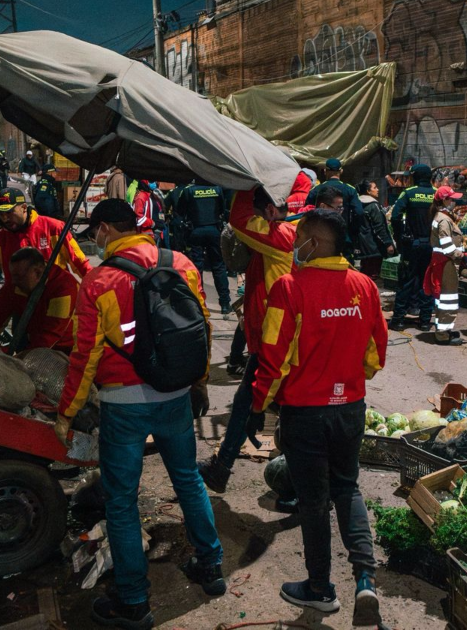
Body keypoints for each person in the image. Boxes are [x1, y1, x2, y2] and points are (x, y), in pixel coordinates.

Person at [56, 200, 224, 629]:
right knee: (187, 479)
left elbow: (84, 355)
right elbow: (200, 327)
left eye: (96, 231)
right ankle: (211, 568)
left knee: (123, 502)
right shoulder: (181, 263)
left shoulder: (99, 280)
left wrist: (67, 411)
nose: (95, 240)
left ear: (108, 229)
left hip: (123, 407)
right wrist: (200, 381)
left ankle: (133, 602)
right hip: (174, 395)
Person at [249, 210, 387, 626]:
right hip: (350, 410)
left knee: (314, 501)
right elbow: (377, 352)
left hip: (305, 413)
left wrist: (260, 404)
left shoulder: (288, 288)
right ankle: (365, 580)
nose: (295, 245)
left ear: (313, 242)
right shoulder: (365, 286)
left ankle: (320, 589)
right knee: (348, 488)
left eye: (300, 237)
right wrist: (345, 381)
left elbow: (272, 357)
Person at [197, 187, 296, 493]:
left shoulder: (279, 236)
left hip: (278, 340)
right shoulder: (283, 238)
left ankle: (300, 487)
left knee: (268, 406)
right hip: (274, 337)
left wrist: (245, 182)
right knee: (260, 404)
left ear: (267, 213)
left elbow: (238, 220)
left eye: (258, 218)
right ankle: (225, 467)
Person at [0, 189, 92, 317]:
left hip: (55, 304)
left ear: (23, 207)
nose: (4, 219)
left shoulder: (54, 228)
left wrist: (96, 290)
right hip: (20, 307)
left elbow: (79, 262)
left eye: (9, 212)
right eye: (0, 214)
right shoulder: (0, 238)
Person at [0, 247, 77, 352]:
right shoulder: (15, 285)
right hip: (31, 338)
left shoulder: (64, 287)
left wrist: (21, 360)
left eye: (18, 277)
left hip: (65, 350)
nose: (13, 282)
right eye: (12, 276)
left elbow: (50, 335)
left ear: (37, 273)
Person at [388, 163, 436, 331]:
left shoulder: (408, 193)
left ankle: (399, 319)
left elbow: (395, 216)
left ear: (415, 177)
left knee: (406, 281)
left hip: (412, 245)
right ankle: (424, 321)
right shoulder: (436, 194)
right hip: (431, 246)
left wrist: (400, 236)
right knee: (427, 281)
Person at [178, 182, 232, 314]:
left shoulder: (189, 191)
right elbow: (222, 209)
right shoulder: (217, 189)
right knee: (219, 266)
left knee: (196, 268)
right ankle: (225, 304)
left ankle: (198, 302)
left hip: (195, 230)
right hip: (214, 229)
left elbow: (180, 210)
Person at [424, 186, 467, 345]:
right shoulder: (443, 219)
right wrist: (462, 256)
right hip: (445, 262)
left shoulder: (442, 216)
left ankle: (445, 328)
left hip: (443, 262)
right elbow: (447, 246)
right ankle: (442, 334)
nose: (454, 202)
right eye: (452, 199)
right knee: (447, 298)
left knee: (443, 298)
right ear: (444, 200)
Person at [304, 158, 371, 257]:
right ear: (341, 171)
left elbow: (306, 211)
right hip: (343, 237)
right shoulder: (350, 190)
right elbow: (359, 212)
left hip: (319, 237)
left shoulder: (316, 190)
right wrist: (352, 232)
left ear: (325, 171)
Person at [357, 180, 395, 280]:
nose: (377, 190)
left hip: (363, 245)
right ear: (368, 191)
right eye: (374, 188)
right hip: (374, 246)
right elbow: (379, 227)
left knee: (364, 272)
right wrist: (388, 243)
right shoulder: (373, 206)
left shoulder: (357, 204)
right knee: (372, 274)